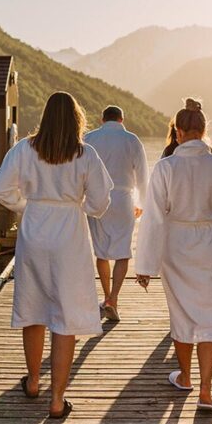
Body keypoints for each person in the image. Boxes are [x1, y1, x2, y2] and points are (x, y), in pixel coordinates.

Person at [0, 92, 114, 420]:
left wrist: (25, 205)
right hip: (70, 235)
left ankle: (33, 382)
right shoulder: (86, 155)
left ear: (44, 118)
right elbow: (102, 203)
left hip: (34, 232)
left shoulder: (24, 150)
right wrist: (79, 208)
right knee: (66, 313)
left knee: (33, 307)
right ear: (76, 120)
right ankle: (57, 399)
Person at [134, 98, 212, 411]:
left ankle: (186, 378)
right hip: (209, 241)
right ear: (204, 131)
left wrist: (145, 265)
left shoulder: (166, 167)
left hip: (175, 243)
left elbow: (152, 217)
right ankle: (206, 390)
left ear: (178, 133)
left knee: (180, 310)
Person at [84, 105, 149, 322]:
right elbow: (142, 176)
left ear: (103, 120)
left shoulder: (90, 138)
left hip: (97, 199)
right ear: (122, 120)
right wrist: (142, 203)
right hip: (123, 199)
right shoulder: (132, 140)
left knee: (101, 252)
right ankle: (114, 298)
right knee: (122, 251)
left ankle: (105, 296)